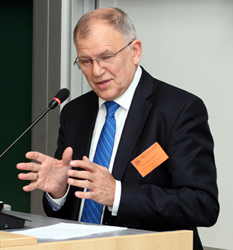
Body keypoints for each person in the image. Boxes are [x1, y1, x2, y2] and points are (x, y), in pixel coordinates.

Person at [17, 7, 219, 250]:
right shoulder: (74, 113)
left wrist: (117, 195)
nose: (96, 71)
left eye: (106, 57)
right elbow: (72, 210)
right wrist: (59, 193)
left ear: (135, 52)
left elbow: (202, 205)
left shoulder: (179, 110)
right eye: (85, 61)